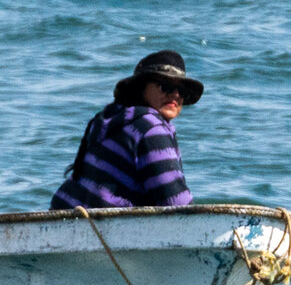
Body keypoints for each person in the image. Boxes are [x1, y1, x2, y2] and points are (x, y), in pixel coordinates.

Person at [50, 50, 202, 212]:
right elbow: (176, 202)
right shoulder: (152, 127)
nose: (175, 94)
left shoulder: (107, 119)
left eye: (182, 91)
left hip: (61, 215)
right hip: (101, 226)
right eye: (166, 86)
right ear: (141, 87)